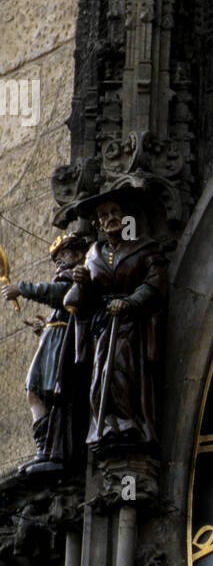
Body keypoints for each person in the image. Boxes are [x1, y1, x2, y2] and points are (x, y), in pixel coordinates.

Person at [65, 186, 167, 456]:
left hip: (130, 323)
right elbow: (82, 300)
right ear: (98, 223)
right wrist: (83, 283)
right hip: (103, 324)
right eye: (103, 214)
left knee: (122, 368)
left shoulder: (144, 248)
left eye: (114, 212)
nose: (109, 218)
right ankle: (106, 423)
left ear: (126, 217)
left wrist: (131, 301)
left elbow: (155, 284)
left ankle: (128, 420)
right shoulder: (92, 255)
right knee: (100, 375)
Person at [1, 232, 89, 472]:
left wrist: (22, 288)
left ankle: (52, 452)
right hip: (53, 341)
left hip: (61, 344)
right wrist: (43, 329)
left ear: (80, 254)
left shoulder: (76, 276)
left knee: (44, 393)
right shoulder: (67, 275)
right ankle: (45, 450)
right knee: (36, 393)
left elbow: (57, 295)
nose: (60, 262)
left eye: (65, 255)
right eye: (57, 258)